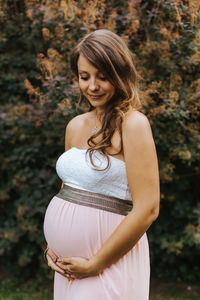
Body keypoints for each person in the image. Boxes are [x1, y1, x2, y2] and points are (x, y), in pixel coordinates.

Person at [43, 29, 160, 300]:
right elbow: (69, 192)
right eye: (84, 77)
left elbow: (148, 209)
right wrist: (52, 246)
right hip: (68, 266)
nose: (92, 86)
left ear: (120, 75)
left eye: (102, 77)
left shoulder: (134, 125)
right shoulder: (75, 126)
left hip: (108, 265)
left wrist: (96, 263)